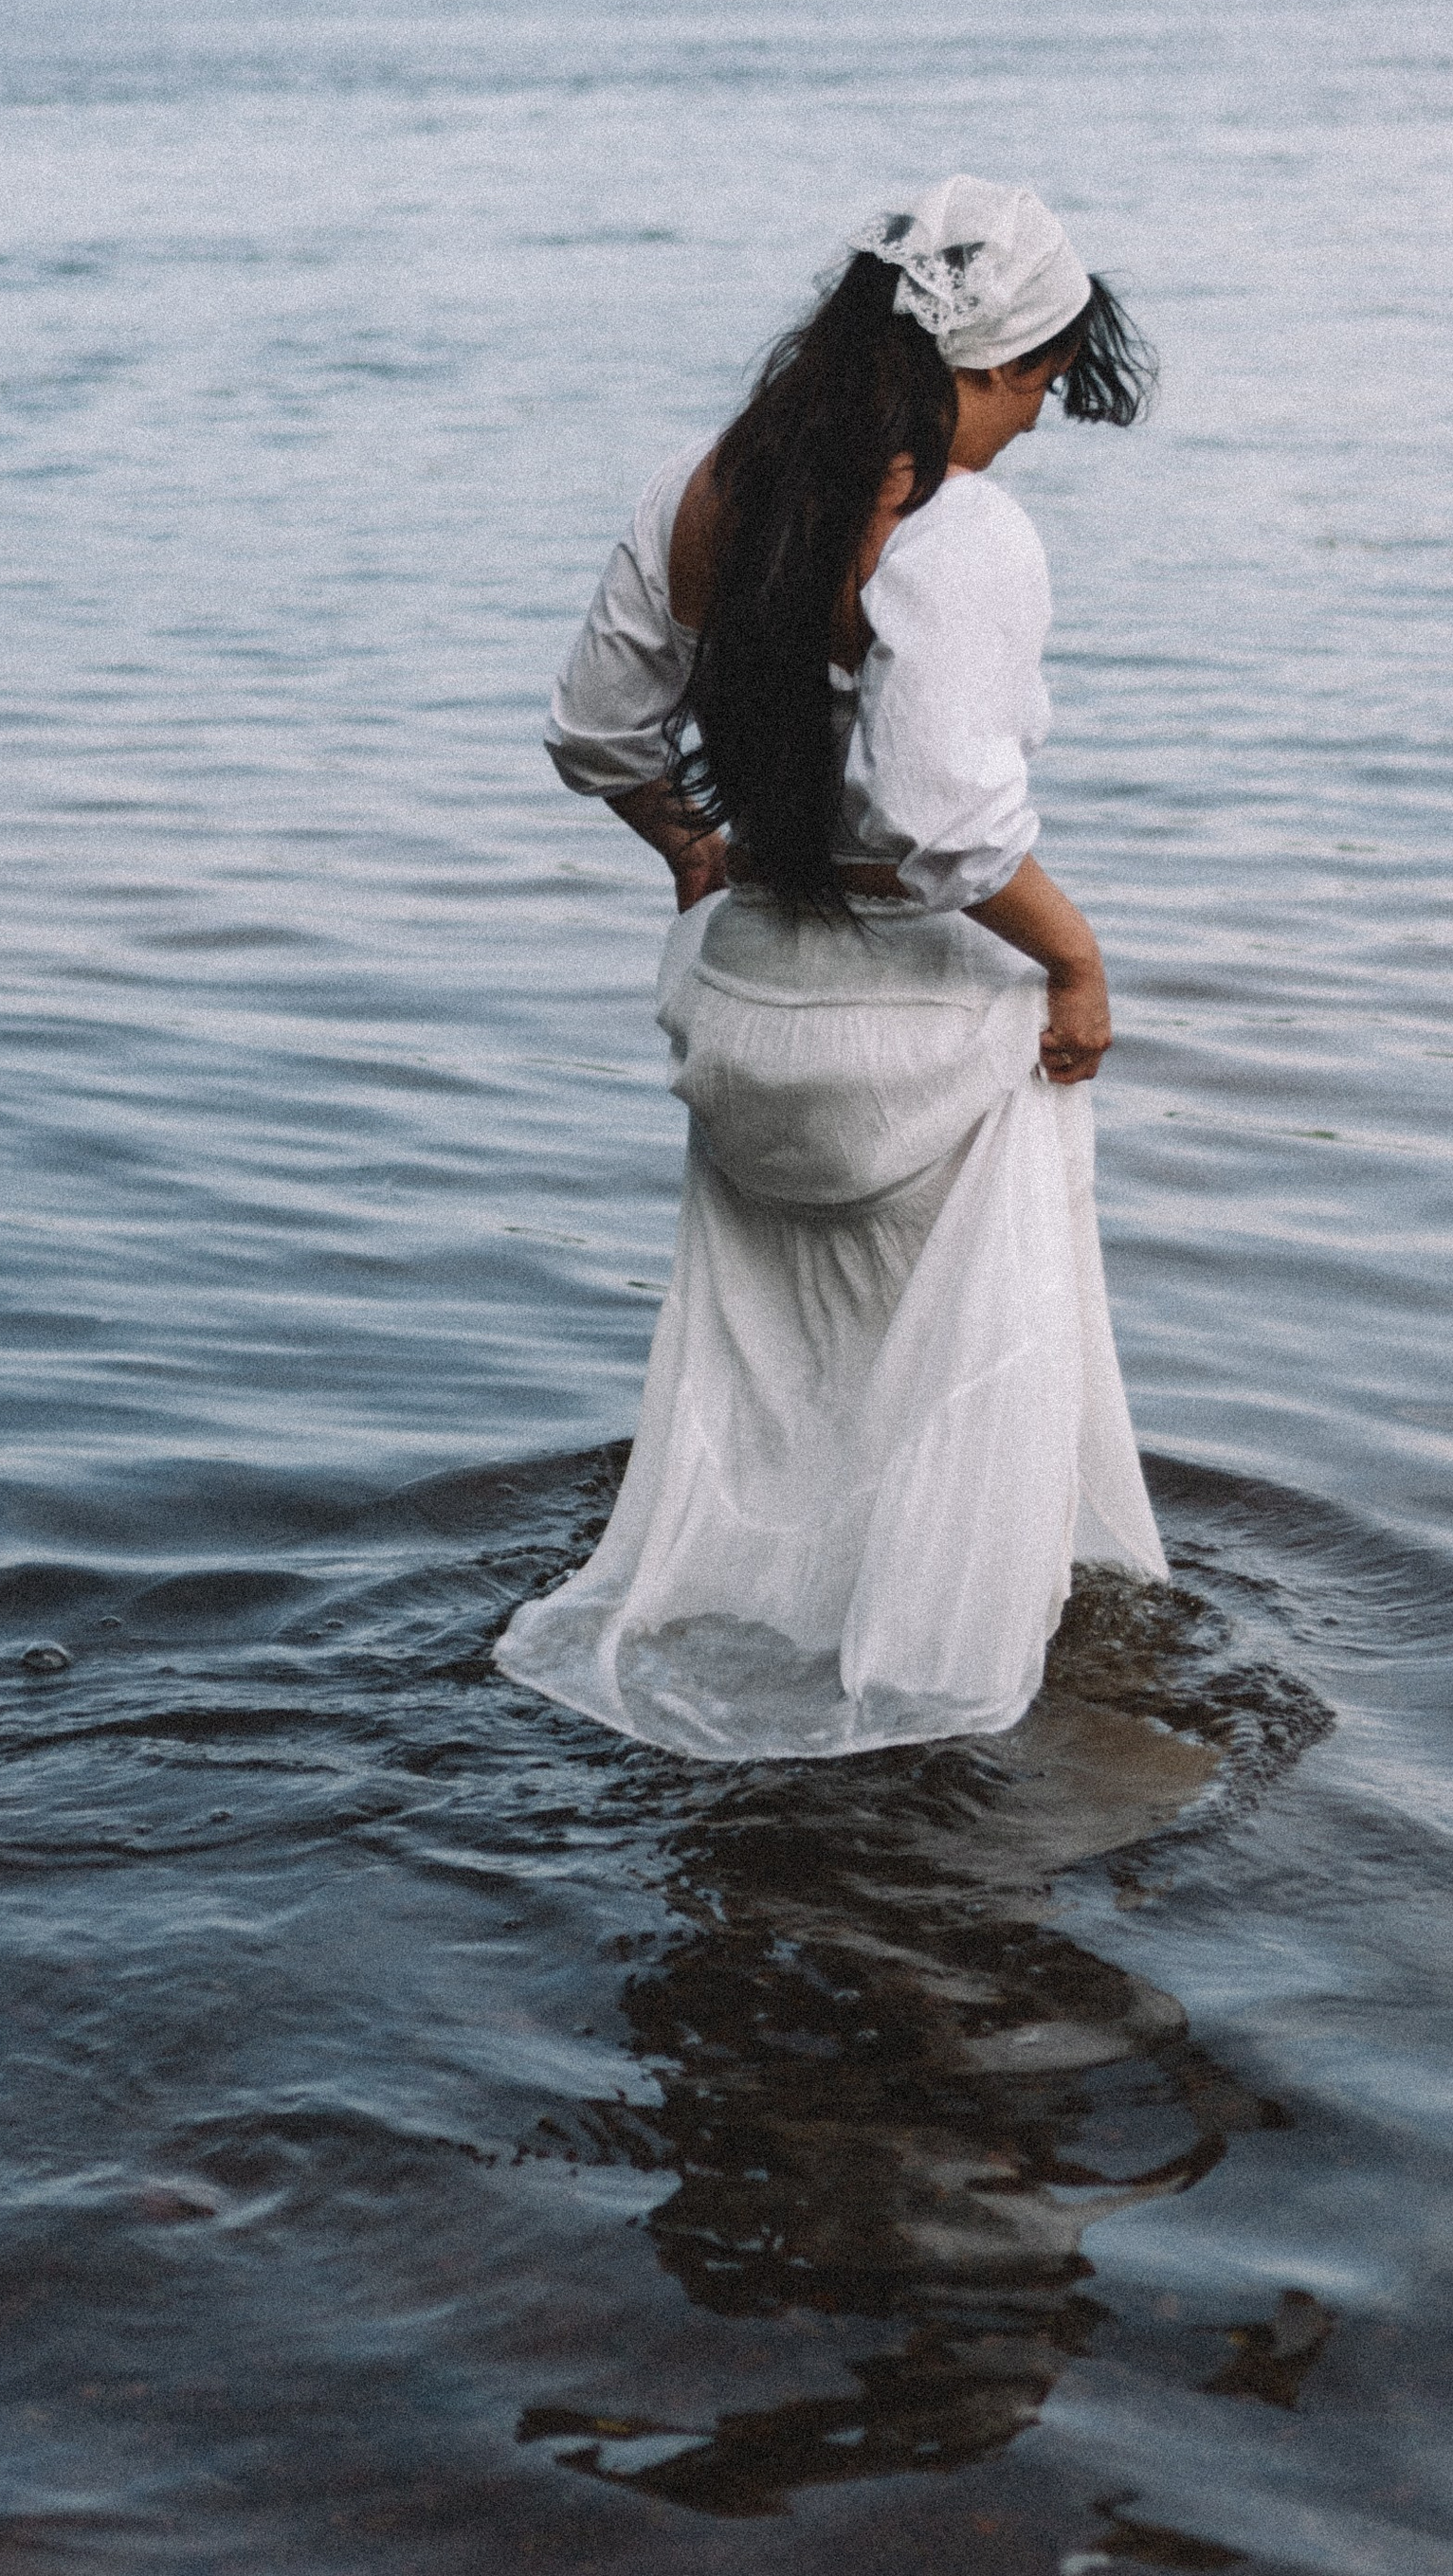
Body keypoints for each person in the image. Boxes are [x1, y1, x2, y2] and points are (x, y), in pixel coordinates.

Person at [495, 178, 1169, 1760]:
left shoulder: (707, 482)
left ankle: (776, 1606)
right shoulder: (964, 527)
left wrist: (685, 846)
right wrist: (1077, 963)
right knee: (979, 1351)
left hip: (744, 1017)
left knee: (784, 1364)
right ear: (985, 365)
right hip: (907, 1031)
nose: (1043, 416)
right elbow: (948, 825)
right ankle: (947, 1663)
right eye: (1046, 380)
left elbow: (594, 729)